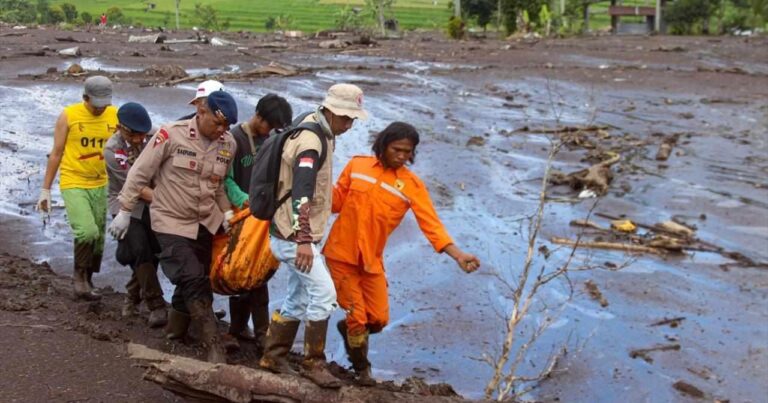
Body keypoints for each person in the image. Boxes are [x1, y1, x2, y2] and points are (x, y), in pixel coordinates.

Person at [323, 122, 481, 385]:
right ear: (383, 145)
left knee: (379, 318)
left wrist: (457, 254)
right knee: (358, 317)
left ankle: (350, 329)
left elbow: (431, 224)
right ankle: (362, 372)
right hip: (341, 253)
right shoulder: (357, 166)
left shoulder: (411, 185)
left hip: (371, 260)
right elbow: (336, 201)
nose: (401, 155)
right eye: (397, 149)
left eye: (407, 152)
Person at [109, 91, 238, 363]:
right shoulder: (170, 135)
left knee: (196, 278)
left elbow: (218, 186)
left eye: (226, 126)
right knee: (191, 277)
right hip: (171, 220)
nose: (221, 130)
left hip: (205, 221)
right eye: (217, 123)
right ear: (201, 112)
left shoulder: (228, 143)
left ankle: (175, 332)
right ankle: (213, 344)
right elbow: (138, 174)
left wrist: (226, 211)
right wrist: (124, 211)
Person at [258, 84, 368, 389]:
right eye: (346, 118)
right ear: (331, 110)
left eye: (353, 120)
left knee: (299, 296)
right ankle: (313, 363)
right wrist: (304, 240)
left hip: (289, 233)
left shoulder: (316, 127)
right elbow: (302, 191)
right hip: (293, 237)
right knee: (325, 295)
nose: (349, 124)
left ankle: (272, 356)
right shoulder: (311, 142)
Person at [36, 76, 118, 301]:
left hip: (101, 182)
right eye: (96, 104)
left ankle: (89, 278)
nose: (101, 109)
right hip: (74, 180)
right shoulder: (69, 115)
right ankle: (79, 278)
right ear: (85, 98)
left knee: (99, 236)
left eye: (105, 104)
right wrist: (46, 190)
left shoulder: (115, 115)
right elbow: (56, 152)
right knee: (86, 230)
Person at [222, 94, 293, 352]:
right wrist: (244, 201)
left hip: (262, 217)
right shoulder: (233, 140)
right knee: (240, 272)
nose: (270, 131)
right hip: (240, 215)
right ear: (258, 116)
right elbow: (225, 179)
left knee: (260, 272)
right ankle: (236, 329)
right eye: (269, 125)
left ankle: (259, 332)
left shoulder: (270, 140)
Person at [103, 102, 168, 328]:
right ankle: (156, 305)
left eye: (143, 134)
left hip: (153, 200)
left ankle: (132, 295)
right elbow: (134, 187)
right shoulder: (113, 150)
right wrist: (170, 200)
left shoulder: (154, 135)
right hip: (124, 202)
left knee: (156, 250)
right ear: (122, 128)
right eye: (135, 135)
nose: (141, 140)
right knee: (140, 249)